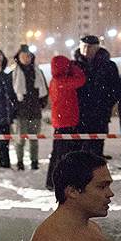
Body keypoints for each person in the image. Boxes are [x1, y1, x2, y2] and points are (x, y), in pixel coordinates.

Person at [74, 35, 121, 158]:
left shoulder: (108, 66)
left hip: (100, 113)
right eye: (83, 46)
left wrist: (106, 104)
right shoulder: (74, 66)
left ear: (97, 48)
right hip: (80, 112)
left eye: (90, 47)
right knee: (80, 147)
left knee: (97, 146)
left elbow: (115, 88)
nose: (86, 50)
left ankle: (96, 174)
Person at [45, 55, 87, 190]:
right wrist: (75, 67)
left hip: (60, 121)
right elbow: (81, 80)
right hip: (66, 122)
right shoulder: (63, 81)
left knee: (57, 153)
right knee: (63, 155)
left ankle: (52, 181)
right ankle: (56, 182)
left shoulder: (54, 81)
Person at [11, 45, 48, 170]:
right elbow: (11, 94)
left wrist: (42, 103)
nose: (26, 58)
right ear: (18, 58)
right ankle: (20, 161)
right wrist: (14, 109)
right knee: (20, 139)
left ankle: (34, 162)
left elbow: (44, 91)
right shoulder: (14, 74)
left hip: (35, 111)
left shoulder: (38, 72)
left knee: (34, 139)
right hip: (20, 112)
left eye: (28, 56)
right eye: (23, 56)